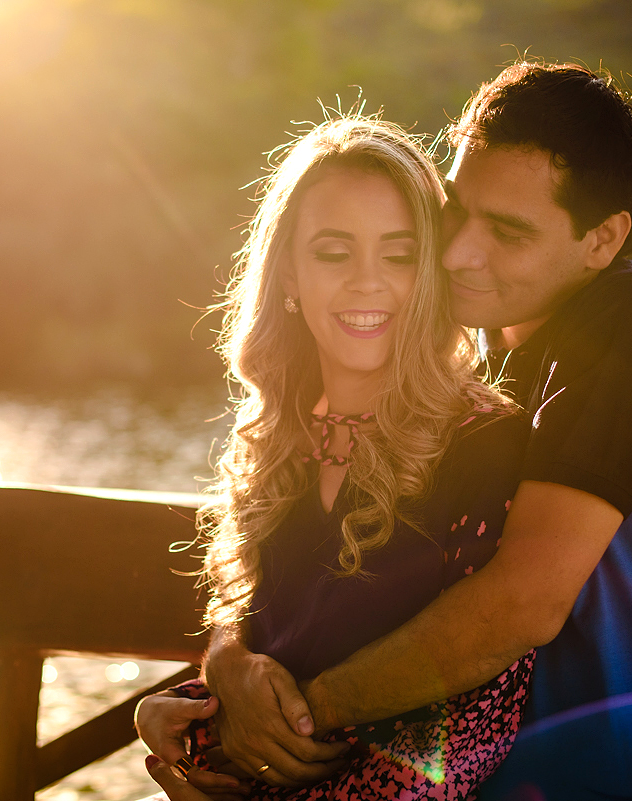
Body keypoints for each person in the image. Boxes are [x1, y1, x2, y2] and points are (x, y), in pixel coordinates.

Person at [176, 63, 632, 800]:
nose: (459, 252)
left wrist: (284, 728)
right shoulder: (469, 359)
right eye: (454, 214)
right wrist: (223, 678)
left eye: (506, 231)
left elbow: (522, 603)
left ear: (603, 238)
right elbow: (305, 593)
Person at [135, 115, 538, 799]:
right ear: (288, 269)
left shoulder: (485, 444)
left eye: (399, 253)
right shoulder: (279, 439)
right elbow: (277, 653)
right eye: (333, 252)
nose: (367, 282)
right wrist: (182, 719)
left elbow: (478, 724)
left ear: (432, 271)